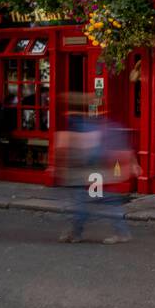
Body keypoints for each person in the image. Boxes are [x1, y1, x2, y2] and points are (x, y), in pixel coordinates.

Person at [56, 95, 137, 245]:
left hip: (85, 173)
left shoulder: (79, 124)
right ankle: (121, 232)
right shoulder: (101, 124)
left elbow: (87, 151)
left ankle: (76, 233)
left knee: (82, 203)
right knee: (108, 201)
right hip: (98, 173)